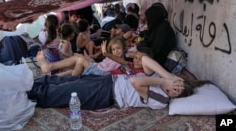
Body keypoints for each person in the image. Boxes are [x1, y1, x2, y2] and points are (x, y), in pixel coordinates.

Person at [28, 49, 208, 110]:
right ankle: (32, 84)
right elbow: (144, 59)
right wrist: (168, 76)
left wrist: (163, 82)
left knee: (63, 93)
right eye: (177, 84)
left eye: (177, 90)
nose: (173, 87)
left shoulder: (161, 100)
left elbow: (135, 82)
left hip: (106, 95)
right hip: (108, 81)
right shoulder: (163, 79)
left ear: (176, 96)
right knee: (68, 82)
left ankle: (28, 95)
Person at [36, 37, 127, 76]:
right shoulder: (110, 57)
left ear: (123, 49)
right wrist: (90, 59)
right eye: (114, 49)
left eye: (118, 48)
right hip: (97, 67)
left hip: (103, 74)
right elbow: (101, 64)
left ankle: (50, 66)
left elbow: (122, 63)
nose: (116, 51)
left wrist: (106, 53)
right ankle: (52, 68)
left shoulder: (122, 60)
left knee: (79, 59)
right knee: (79, 58)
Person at [137, 2, 176, 67]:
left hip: (161, 64)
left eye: (148, 19)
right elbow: (148, 40)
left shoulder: (163, 29)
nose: (147, 22)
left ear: (153, 18)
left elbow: (154, 51)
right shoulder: (157, 27)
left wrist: (140, 46)